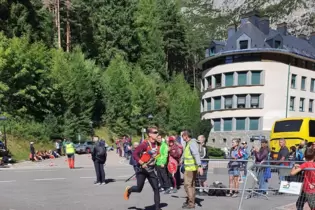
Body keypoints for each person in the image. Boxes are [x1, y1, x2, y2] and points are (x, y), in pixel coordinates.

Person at [124, 126, 161, 210]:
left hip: (151, 170)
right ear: (150, 134)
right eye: (155, 132)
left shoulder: (157, 144)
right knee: (139, 189)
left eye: (157, 132)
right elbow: (134, 154)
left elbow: (157, 154)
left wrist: (156, 157)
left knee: (156, 188)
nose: (157, 134)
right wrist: (142, 162)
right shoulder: (144, 144)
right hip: (142, 170)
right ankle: (129, 190)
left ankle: (157, 208)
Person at [181, 130, 203, 209]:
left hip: (190, 169)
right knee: (191, 186)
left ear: (186, 136)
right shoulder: (189, 143)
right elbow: (185, 155)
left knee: (187, 186)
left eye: (182, 135)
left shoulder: (192, 143)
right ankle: (191, 201)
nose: (182, 137)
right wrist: (180, 161)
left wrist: (200, 166)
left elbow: (196, 154)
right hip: (191, 168)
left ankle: (191, 203)